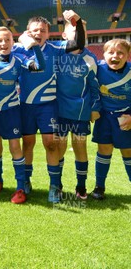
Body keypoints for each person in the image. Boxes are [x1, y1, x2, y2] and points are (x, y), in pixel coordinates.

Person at [9, 15, 84, 200]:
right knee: (27, 143)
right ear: (28, 32)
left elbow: (79, 44)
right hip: (26, 105)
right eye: (35, 30)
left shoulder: (56, 48)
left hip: (48, 105)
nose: (39, 33)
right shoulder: (18, 49)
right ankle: (26, 180)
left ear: (48, 33)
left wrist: (78, 22)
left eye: (43, 30)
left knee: (51, 144)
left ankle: (54, 186)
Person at [0, 27, 45, 204]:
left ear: (12, 42)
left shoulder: (19, 61)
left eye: (7, 40)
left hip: (11, 110)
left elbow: (40, 66)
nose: (3, 43)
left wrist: (34, 47)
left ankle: (19, 187)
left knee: (15, 147)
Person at [54, 10, 100, 202]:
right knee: (59, 148)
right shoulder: (57, 53)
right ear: (64, 36)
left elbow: (95, 86)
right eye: (75, 30)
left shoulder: (90, 59)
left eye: (83, 31)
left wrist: (95, 108)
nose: (81, 34)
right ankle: (57, 185)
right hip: (59, 111)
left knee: (80, 148)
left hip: (80, 112)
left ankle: (81, 187)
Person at [90, 39, 131, 200]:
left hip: (125, 116)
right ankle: (99, 187)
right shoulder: (98, 68)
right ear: (104, 55)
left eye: (120, 53)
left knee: (128, 151)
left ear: (127, 55)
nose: (115, 56)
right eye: (111, 52)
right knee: (104, 150)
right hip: (104, 116)